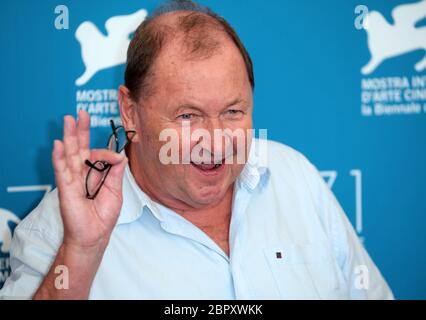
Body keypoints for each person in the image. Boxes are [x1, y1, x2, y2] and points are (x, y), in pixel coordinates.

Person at [0, 0, 393, 299]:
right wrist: (81, 252)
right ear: (130, 112)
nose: (216, 140)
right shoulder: (62, 229)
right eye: (188, 116)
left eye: (233, 111)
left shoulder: (295, 176)